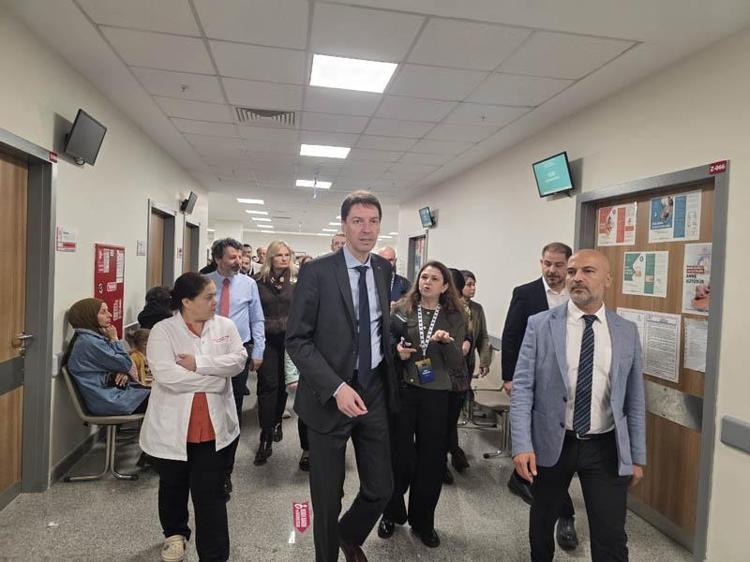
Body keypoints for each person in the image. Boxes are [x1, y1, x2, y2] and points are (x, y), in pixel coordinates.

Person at [511, 249, 646, 561]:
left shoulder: (626, 331)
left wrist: (637, 456)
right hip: (552, 443)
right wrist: (521, 444)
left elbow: (635, 398)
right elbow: (523, 389)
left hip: (605, 446)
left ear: (608, 279)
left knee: (611, 534)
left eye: (588, 271)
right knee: (542, 522)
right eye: (572, 272)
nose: (577, 278)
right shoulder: (540, 325)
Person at [286, 191, 398, 562]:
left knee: (381, 488)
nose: (367, 230)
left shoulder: (382, 269)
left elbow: (375, 326)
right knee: (327, 498)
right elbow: (297, 340)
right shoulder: (318, 272)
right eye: (358, 221)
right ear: (344, 225)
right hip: (328, 397)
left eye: (373, 221)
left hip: (373, 391)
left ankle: (348, 536)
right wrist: (336, 387)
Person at [140, 272, 247, 562]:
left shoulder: (225, 326)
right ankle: (175, 535)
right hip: (173, 427)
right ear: (186, 302)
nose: (215, 301)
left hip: (213, 428)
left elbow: (238, 361)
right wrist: (215, 378)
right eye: (208, 297)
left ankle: (214, 555)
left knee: (211, 494)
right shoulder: (163, 330)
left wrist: (198, 363)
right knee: (173, 485)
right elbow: (166, 375)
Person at [379, 260, 466, 548]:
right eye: (424, 277)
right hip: (406, 390)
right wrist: (397, 351)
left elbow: (457, 362)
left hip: (437, 393)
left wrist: (446, 343)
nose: (427, 282)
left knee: (431, 460)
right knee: (399, 456)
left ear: (445, 286)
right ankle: (391, 512)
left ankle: (423, 521)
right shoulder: (402, 308)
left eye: (434, 278)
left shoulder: (454, 316)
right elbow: (386, 344)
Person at [501, 242, 579, 550]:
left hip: (569, 392)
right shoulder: (526, 293)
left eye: (558, 265)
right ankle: (561, 511)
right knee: (545, 454)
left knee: (554, 456)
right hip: (535, 384)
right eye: (547, 263)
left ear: (568, 265)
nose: (551, 270)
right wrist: (509, 377)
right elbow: (511, 335)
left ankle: (554, 505)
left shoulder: (578, 294)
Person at [204, 238, 265, 422]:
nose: (238, 261)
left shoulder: (249, 284)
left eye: (239, 257)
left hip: (239, 348)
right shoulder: (204, 282)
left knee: (236, 398)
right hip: (209, 347)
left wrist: (258, 350)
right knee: (210, 396)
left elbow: (257, 319)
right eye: (232, 257)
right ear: (217, 259)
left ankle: (233, 437)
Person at [63, 298, 149, 416]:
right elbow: (126, 364)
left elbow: (121, 364)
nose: (110, 315)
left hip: (112, 395)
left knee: (163, 396)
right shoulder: (90, 342)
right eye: (103, 312)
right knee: (166, 400)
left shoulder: (91, 338)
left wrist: (121, 370)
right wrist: (114, 339)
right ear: (89, 316)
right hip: (110, 400)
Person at [253, 240, 296, 466]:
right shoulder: (258, 281)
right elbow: (254, 312)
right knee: (268, 385)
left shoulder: (296, 281)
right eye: (279, 255)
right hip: (267, 339)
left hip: (289, 340)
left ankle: (278, 420)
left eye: (287, 254)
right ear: (270, 257)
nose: (283, 258)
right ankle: (266, 433)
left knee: (283, 384)